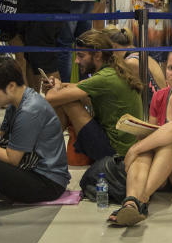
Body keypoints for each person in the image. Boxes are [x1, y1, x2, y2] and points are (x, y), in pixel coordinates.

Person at [108, 51, 172, 227]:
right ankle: (130, 203)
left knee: (171, 137)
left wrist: (134, 149)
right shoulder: (160, 96)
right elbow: (152, 135)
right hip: (163, 170)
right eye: (171, 68)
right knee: (148, 145)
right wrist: (140, 140)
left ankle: (142, 199)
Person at [0, 57, 70, 204]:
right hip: (31, 166)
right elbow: (0, 137)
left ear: (10, 86)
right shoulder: (17, 101)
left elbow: (12, 159)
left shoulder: (30, 110)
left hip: (48, 183)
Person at [44, 29, 143, 162]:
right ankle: (49, 149)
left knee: (67, 100)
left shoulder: (104, 78)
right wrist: (58, 86)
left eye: (81, 56)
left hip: (115, 153)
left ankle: (47, 151)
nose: (76, 61)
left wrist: (55, 87)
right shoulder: (111, 71)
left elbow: (51, 99)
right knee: (66, 95)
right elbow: (75, 85)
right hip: (123, 147)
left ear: (97, 55)